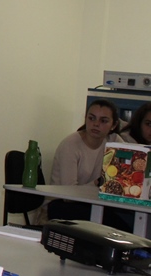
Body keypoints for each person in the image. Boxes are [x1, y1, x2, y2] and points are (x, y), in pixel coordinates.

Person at [48, 99, 132, 231]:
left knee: (127, 228)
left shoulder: (114, 141)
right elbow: (68, 195)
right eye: (91, 118)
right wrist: (96, 183)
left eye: (103, 121)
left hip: (94, 204)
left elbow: (127, 172)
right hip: (62, 205)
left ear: (113, 125)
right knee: (116, 229)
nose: (96, 124)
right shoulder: (70, 144)